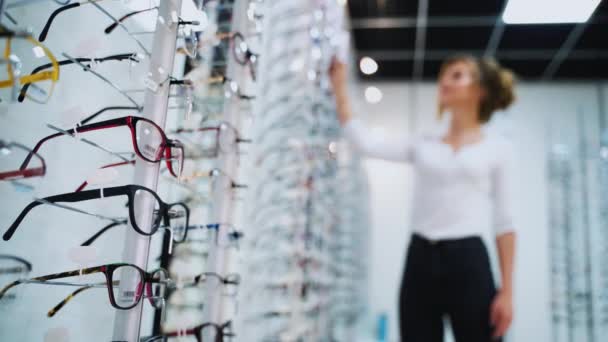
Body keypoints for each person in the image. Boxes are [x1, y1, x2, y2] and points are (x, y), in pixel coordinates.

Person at [328, 55, 517, 342]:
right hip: (420, 259)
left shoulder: (497, 148)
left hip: (469, 261)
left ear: (480, 90)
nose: (445, 82)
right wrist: (339, 86)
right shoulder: (424, 141)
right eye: (444, 75)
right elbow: (364, 142)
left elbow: (505, 223)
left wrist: (507, 292)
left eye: (457, 75)